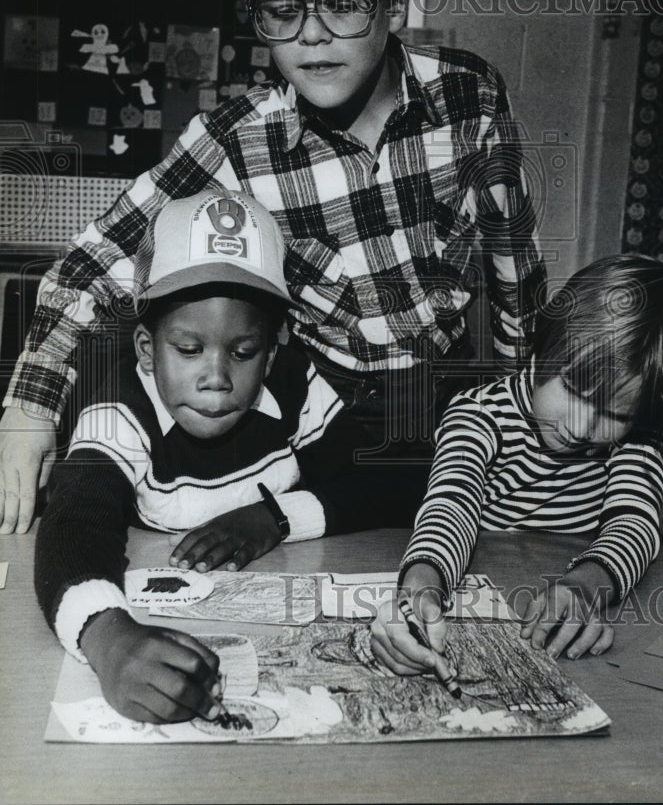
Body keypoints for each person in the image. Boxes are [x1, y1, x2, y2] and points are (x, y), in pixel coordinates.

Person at [1, 0, 545, 532]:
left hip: (454, 404)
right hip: (325, 425)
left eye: (344, 2)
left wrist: (522, 404)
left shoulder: (471, 97)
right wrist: (28, 408)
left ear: (397, 0)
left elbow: (514, 263)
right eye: (281, 8)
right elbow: (89, 265)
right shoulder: (236, 138)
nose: (312, 34)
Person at [34, 189, 427, 724]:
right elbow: (74, 524)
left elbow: (384, 484)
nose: (216, 378)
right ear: (147, 349)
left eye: (242, 352)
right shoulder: (117, 409)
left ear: (271, 351)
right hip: (156, 622)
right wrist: (109, 639)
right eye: (188, 350)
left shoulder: (292, 383)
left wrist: (275, 518)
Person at [370, 254, 663, 675]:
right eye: (575, 388)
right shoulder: (477, 415)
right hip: (477, 628)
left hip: (575, 644)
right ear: (544, 343)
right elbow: (449, 507)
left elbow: (634, 524)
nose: (582, 427)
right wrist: (420, 593)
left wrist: (585, 587)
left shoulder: (638, 435)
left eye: (615, 414)